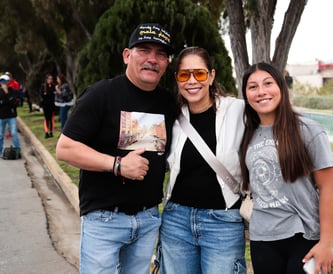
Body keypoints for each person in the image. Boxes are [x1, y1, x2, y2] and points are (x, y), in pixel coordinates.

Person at [55, 23, 177, 274]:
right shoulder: (101, 94)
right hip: (104, 220)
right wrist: (118, 165)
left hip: (148, 219)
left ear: (166, 63)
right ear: (126, 55)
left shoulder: (168, 102)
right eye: (144, 50)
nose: (152, 59)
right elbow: (65, 148)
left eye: (161, 53)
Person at [240, 62, 333, 274]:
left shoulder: (308, 130)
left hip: (303, 236)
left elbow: (328, 187)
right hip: (262, 238)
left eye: (268, 83)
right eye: (253, 86)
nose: (261, 92)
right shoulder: (247, 134)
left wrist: (326, 243)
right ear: (246, 94)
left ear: (281, 88)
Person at [159, 47, 246, 274]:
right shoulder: (172, 117)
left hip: (223, 223)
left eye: (198, 74)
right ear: (177, 79)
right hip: (176, 221)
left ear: (211, 75)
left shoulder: (238, 111)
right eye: (183, 75)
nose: (191, 81)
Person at [0, 74, 21, 157]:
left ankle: (18, 151)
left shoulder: (13, 91)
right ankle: (0, 151)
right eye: (1, 82)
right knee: (0, 135)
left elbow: (13, 103)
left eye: (5, 81)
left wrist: (6, 94)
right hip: (1, 116)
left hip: (11, 116)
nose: (3, 83)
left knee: (14, 133)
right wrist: (7, 99)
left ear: (8, 82)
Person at [40, 74, 56, 138]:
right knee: (46, 119)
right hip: (45, 105)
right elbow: (42, 95)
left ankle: (51, 131)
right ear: (46, 79)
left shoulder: (53, 86)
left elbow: (53, 95)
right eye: (49, 79)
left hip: (51, 105)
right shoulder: (43, 86)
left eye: (51, 79)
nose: (50, 80)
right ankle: (46, 132)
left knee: (51, 118)